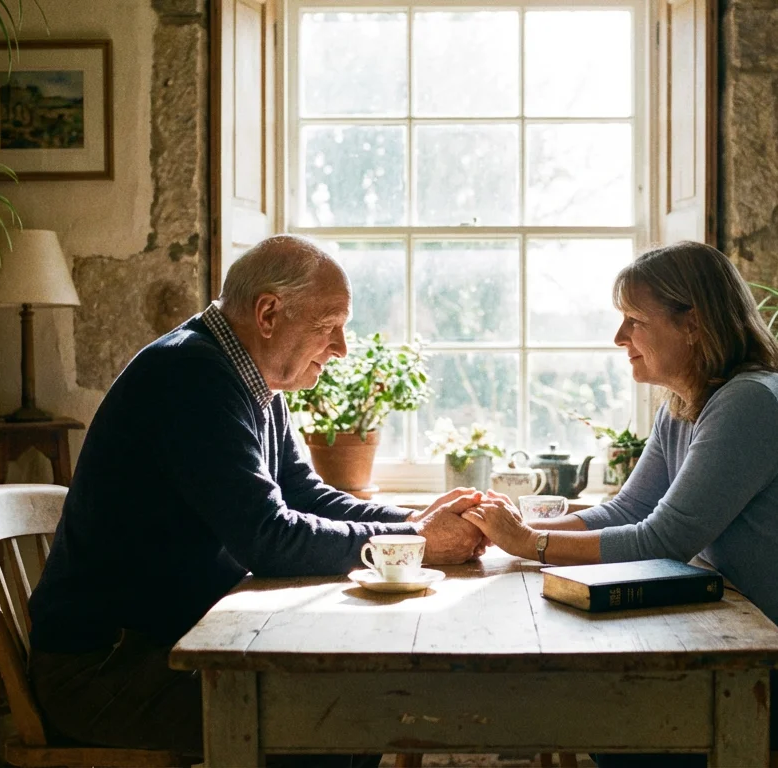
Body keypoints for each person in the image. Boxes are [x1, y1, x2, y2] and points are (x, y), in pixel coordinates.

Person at [27, 235, 486, 764]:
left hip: (161, 647)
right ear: (268, 312)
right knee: (340, 713)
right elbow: (268, 538)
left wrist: (415, 519)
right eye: (328, 325)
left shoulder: (249, 379)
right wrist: (415, 542)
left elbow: (303, 495)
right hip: (106, 671)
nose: (341, 347)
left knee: (351, 695)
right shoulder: (191, 376)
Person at [461, 241, 778, 766]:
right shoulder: (684, 405)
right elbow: (627, 510)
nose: (619, 338)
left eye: (634, 320)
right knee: (607, 706)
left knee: (619, 719)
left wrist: (531, 542)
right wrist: (516, 531)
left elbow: (663, 540)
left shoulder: (752, 402)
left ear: (693, 323)